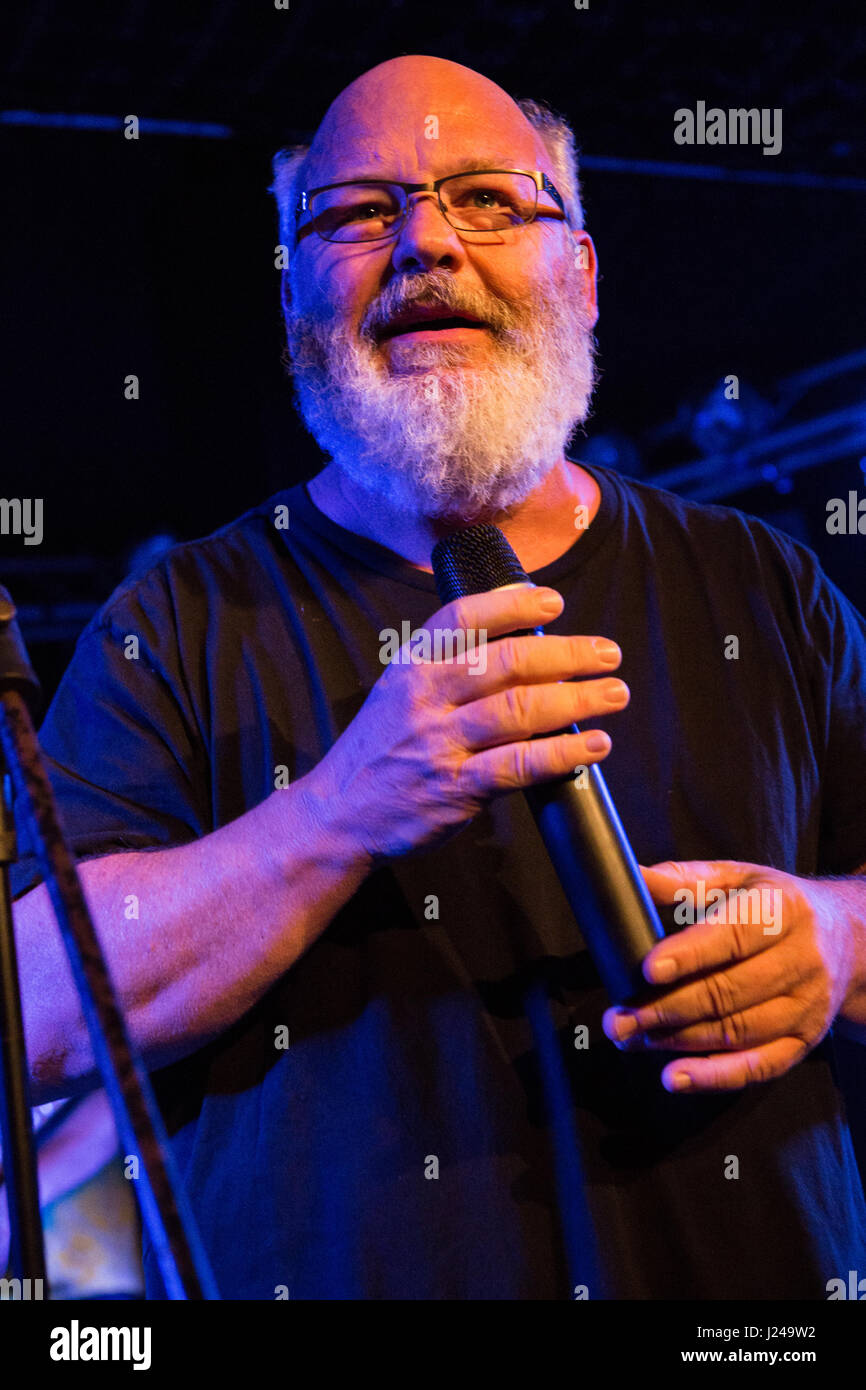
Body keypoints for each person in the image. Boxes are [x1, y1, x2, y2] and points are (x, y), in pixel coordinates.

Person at [10, 55, 866, 1300]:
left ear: (579, 274)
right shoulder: (178, 621)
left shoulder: (766, 588)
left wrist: (836, 941)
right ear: (295, 293)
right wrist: (337, 808)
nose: (424, 245)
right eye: (357, 213)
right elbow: (34, 1012)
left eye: (486, 199)